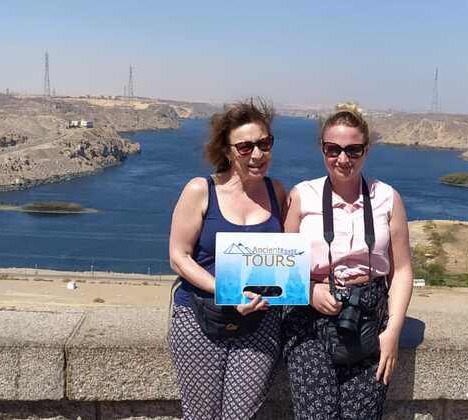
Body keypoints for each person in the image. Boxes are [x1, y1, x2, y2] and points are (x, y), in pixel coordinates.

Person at [282, 103, 412, 419]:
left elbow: (402, 270)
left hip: (369, 317)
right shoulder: (302, 195)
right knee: (317, 414)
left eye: (353, 150)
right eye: (333, 149)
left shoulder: (387, 197)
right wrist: (310, 290)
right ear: (322, 149)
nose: (343, 159)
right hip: (309, 319)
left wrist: (392, 332)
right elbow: (283, 264)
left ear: (366, 150)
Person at [168, 99, 286, 420]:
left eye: (264, 143)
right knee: (201, 415)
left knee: (241, 415)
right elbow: (179, 257)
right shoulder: (200, 190)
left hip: (258, 323)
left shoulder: (278, 193)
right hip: (198, 317)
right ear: (227, 150)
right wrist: (227, 290)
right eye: (245, 147)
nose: (257, 154)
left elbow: (286, 258)